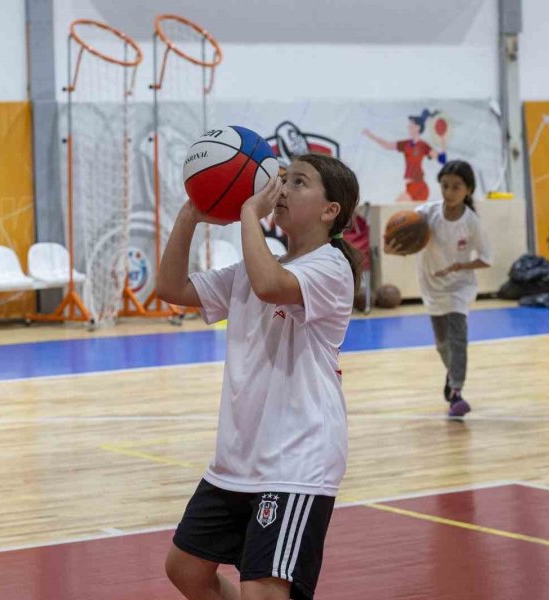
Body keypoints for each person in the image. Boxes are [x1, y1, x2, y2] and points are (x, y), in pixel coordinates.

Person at [155, 153, 362, 600]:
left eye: (299, 183)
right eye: (283, 180)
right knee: (186, 570)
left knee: (263, 593)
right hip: (238, 457)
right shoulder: (254, 268)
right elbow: (171, 288)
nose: (282, 189)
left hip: (296, 458)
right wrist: (190, 214)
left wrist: (247, 211)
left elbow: (271, 285)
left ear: (331, 211)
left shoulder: (331, 267)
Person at [385, 160, 491, 418]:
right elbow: (396, 238)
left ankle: (456, 392)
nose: (449, 192)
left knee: (458, 339)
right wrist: (391, 248)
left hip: (460, 287)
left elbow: (486, 258)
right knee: (443, 345)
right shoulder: (425, 214)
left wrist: (459, 266)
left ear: (468, 190)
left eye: (456, 187)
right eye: (445, 186)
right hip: (432, 286)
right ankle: (452, 374)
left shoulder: (472, 222)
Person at [363, 109, 447, 202]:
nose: (408, 127)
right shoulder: (406, 144)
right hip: (410, 187)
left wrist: (443, 140)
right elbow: (387, 145)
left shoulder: (423, 145)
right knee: (396, 208)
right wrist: (370, 135)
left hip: (419, 187)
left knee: (396, 208)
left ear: (418, 128)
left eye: (411, 125)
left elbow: (442, 160)